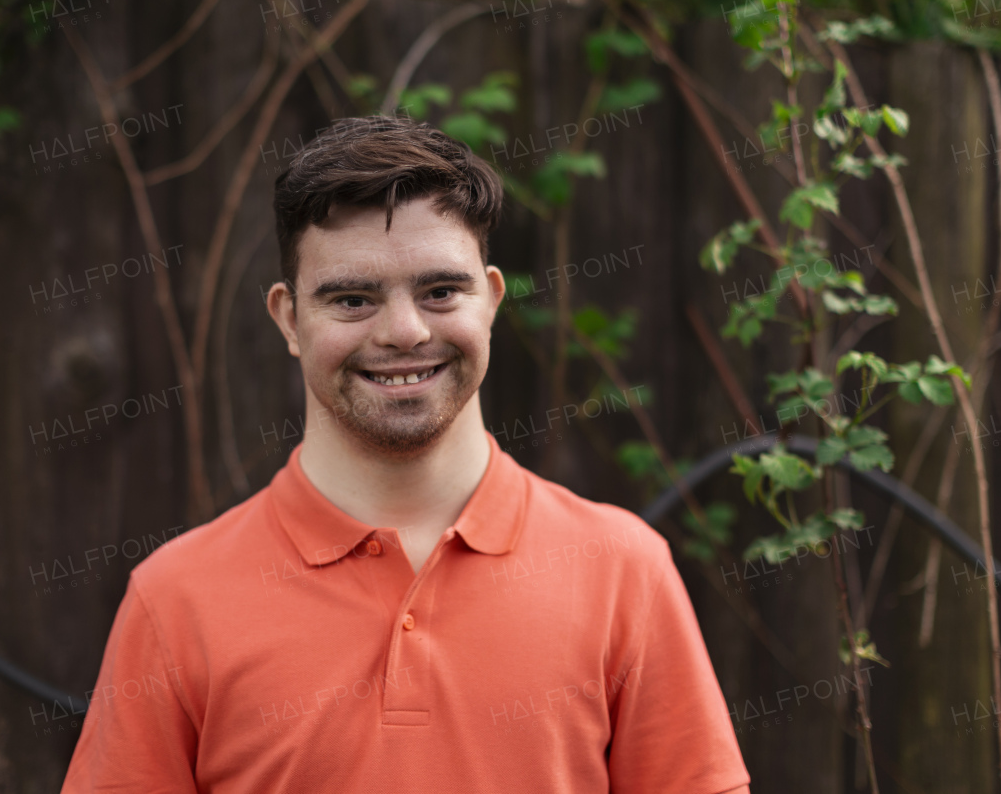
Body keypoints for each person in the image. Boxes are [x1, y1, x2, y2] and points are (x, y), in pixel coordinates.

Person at [60, 115, 751, 793]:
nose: (404, 330)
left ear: (492, 300)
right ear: (288, 319)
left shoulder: (623, 571)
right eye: (354, 298)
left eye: (441, 290)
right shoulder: (176, 599)